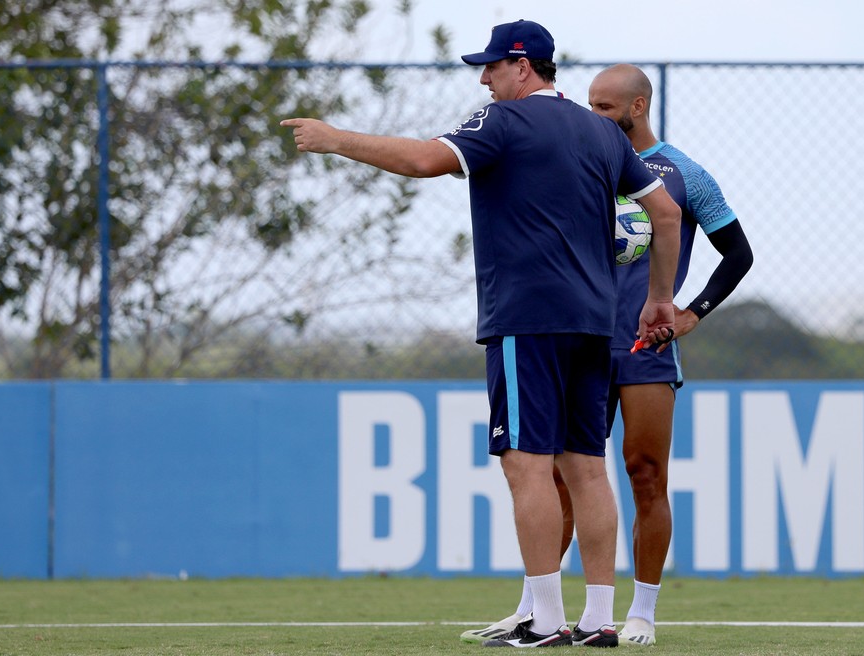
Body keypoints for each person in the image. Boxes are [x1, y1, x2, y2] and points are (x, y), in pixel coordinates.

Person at [282, 23, 681, 649]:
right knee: (586, 470)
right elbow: (664, 212)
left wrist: (336, 140)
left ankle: (546, 620)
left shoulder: (503, 122)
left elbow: (421, 161)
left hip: (527, 318)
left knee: (526, 466)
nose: (483, 78)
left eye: (491, 66)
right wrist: (660, 300)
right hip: (594, 321)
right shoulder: (601, 131)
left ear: (523, 67)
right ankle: (598, 620)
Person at [460, 63, 753, 648]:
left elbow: (737, 253)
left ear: (637, 107)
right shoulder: (583, 160)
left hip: (645, 349)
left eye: (602, 106)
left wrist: (691, 313)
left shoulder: (684, 173)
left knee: (645, 476)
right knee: (561, 478)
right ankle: (535, 606)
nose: (590, 114)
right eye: (588, 104)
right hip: (581, 338)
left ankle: (641, 609)